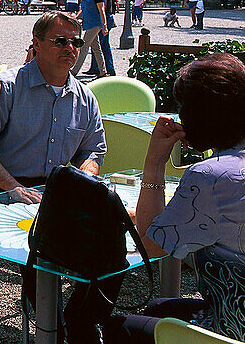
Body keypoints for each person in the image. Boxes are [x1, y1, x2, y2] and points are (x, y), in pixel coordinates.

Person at [0, 10, 108, 343]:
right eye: (60, 41)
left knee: (112, 241)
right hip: (8, 185)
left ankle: (79, 321)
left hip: (60, 188)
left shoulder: (85, 97)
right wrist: (11, 187)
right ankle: (51, 329)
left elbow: (94, 151)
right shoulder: (8, 86)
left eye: (76, 42)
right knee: (46, 241)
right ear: (36, 44)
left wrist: (84, 179)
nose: (70, 48)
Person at [104, 53, 245, 342]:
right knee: (159, 308)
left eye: (183, 108)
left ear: (201, 116)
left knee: (117, 328)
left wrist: (154, 162)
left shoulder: (211, 176)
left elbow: (150, 245)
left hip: (233, 328)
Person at [73, 0, 108, 77]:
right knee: (96, 49)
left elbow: (102, 11)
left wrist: (104, 26)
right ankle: (102, 71)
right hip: (89, 24)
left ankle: (74, 71)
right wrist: (75, 17)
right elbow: (83, 9)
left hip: (95, 24)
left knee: (83, 46)